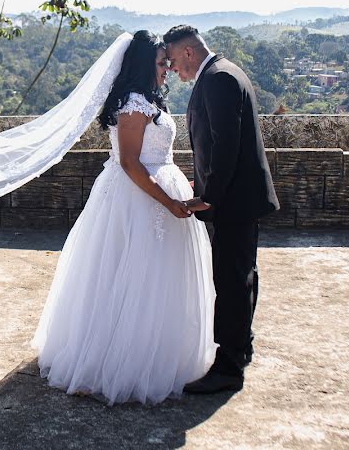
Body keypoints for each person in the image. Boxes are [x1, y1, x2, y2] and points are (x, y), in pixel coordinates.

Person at [31, 30, 217, 405]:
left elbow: (158, 152)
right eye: (161, 62)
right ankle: (117, 363)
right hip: (137, 200)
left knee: (157, 280)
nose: (167, 68)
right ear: (141, 65)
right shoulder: (133, 104)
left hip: (159, 191)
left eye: (167, 62)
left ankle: (157, 350)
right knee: (127, 276)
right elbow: (131, 163)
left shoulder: (150, 100)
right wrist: (167, 201)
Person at [163, 24, 280, 394]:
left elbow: (224, 145)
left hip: (232, 200)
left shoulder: (216, 79)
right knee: (242, 275)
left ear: (188, 53)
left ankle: (229, 368)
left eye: (174, 63)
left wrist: (207, 196)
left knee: (230, 282)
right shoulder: (227, 71)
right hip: (240, 197)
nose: (175, 73)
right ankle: (240, 349)